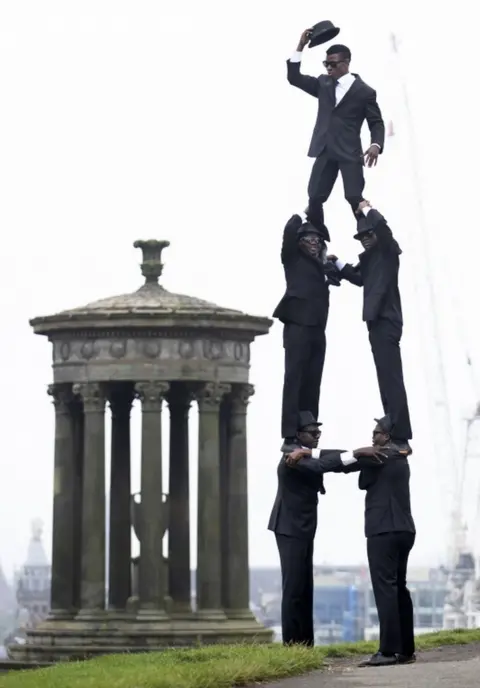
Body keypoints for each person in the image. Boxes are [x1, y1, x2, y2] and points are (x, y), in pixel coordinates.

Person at [289, 414, 416, 666]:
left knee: (385, 590)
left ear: (387, 437)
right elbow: (347, 453)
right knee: (399, 588)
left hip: (383, 530)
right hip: (404, 530)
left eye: (377, 432)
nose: (373, 436)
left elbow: (337, 464)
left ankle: (388, 651)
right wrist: (312, 452)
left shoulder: (379, 457)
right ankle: (406, 650)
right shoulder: (397, 456)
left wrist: (301, 457)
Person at [268, 411, 386, 647]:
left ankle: (305, 644)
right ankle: (292, 644)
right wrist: (358, 452)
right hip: (289, 528)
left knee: (304, 586)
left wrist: (367, 456)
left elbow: (334, 460)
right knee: (293, 588)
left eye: (318, 432)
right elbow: (322, 465)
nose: (317, 436)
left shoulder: (305, 453)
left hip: (303, 527)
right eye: (313, 433)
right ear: (299, 435)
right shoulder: (292, 457)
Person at [329, 200, 412, 453]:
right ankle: (394, 429)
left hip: (387, 319)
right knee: (385, 379)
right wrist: (339, 264)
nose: (365, 239)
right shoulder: (371, 258)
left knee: (392, 379)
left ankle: (401, 435)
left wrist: (366, 208)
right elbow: (360, 278)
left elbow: (384, 229)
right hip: (375, 321)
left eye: (368, 234)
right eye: (361, 236)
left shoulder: (387, 250)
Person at [286, 29, 385, 220]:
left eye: (332, 64)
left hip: (349, 152)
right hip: (325, 150)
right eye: (326, 64)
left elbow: (376, 123)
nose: (328, 68)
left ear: (346, 63)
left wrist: (376, 144)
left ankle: (372, 239)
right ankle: (313, 241)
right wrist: (300, 46)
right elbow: (294, 78)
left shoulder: (365, 92)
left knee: (355, 198)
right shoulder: (323, 84)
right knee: (314, 197)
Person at [272, 212, 341, 452]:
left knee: (313, 382)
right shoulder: (292, 259)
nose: (314, 243)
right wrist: (305, 214)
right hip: (298, 326)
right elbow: (289, 234)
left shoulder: (323, 266)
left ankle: (308, 430)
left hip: (318, 329)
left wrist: (329, 263)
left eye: (317, 240)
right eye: (308, 239)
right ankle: (290, 435)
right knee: (294, 380)